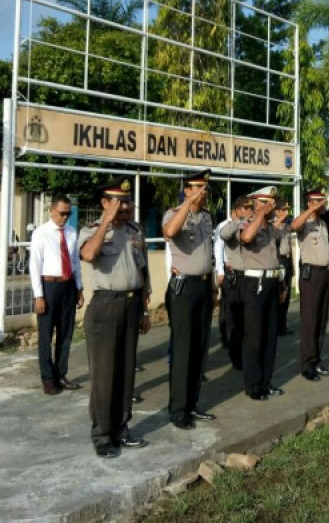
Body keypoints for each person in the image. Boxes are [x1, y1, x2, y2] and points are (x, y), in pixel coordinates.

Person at [79, 177, 150, 458]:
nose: (125, 207)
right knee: (105, 373)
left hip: (132, 305)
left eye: (127, 202)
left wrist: (144, 309)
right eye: (118, 203)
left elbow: (142, 271)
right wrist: (106, 222)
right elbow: (88, 254)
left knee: (126, 370)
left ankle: (121, 427)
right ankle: (102, 434)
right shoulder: (92, 230)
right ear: (105, 203)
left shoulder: (135, 230)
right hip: (105, 307)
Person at [162, 169, 217, 430]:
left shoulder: (206, 217)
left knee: (200, 348)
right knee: (183, 350)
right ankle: (178, 410)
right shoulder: (174, 214)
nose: (203, 193)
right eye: (197, 188)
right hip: (184, 289)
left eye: (205, 189)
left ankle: (193, 404)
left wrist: (215, 287)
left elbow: (210, 254)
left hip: (204, 287)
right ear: (187, 190)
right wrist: (188, 203)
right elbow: (170, 232)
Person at [222, 186, 285, 400]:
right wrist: (258, 214)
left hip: (271, 282)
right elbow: (247, 238)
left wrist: (282, 284)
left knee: (270, 337)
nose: (271, 207)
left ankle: (266, 382)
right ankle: (253, 385)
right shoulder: (247, 224)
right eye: (267, 203)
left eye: (272, 203)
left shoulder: (270, 228)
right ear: (257, 204)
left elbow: (278, 255)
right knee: (255, 337)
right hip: (254, 284)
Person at [29, 194, 84, 395]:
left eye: (68, 214)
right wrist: (39, 295)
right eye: (62, 213)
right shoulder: (41, 233)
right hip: (48, 286)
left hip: (67, 286)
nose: (65, 218)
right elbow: (34, 265)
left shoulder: (71, 232)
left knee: (66, 334)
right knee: (46, 335)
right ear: (52, 210)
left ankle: (60, 374)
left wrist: (79, 288)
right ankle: (48, 378)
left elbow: (76, 262)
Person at [291, 187, 329, 381]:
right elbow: (293, 226)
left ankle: (316, 360)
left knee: (321, 320)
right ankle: (307, 365)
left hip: (324, 274)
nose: (322, 204)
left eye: (322, 201)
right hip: (311, 276)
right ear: (309, 202)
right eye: (317, 201)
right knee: (310, 321)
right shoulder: (305, 222)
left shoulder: (323, 223)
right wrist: (310, 210)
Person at [216, 198, 247, 371]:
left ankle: (241, 350)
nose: (248, 211)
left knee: (244, 317)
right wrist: (220, 270)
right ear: (236, 210)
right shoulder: (226, 226)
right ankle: (233, 351)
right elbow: (218, 247)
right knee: (231, 315)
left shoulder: (248, 224)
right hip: (232, 275)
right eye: (245, 207)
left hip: (247, 276)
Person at [274, 200, 294, 336]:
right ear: (277, 211)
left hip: (286, 260)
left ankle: (283, 324)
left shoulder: (287, 226)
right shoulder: (273, 226)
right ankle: (275, 325)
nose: (286, 213)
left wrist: (292, 265)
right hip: (278, 260)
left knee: (286, 295)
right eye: (283, 210)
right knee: (279, 294)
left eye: (287, 210)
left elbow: (290, 246)